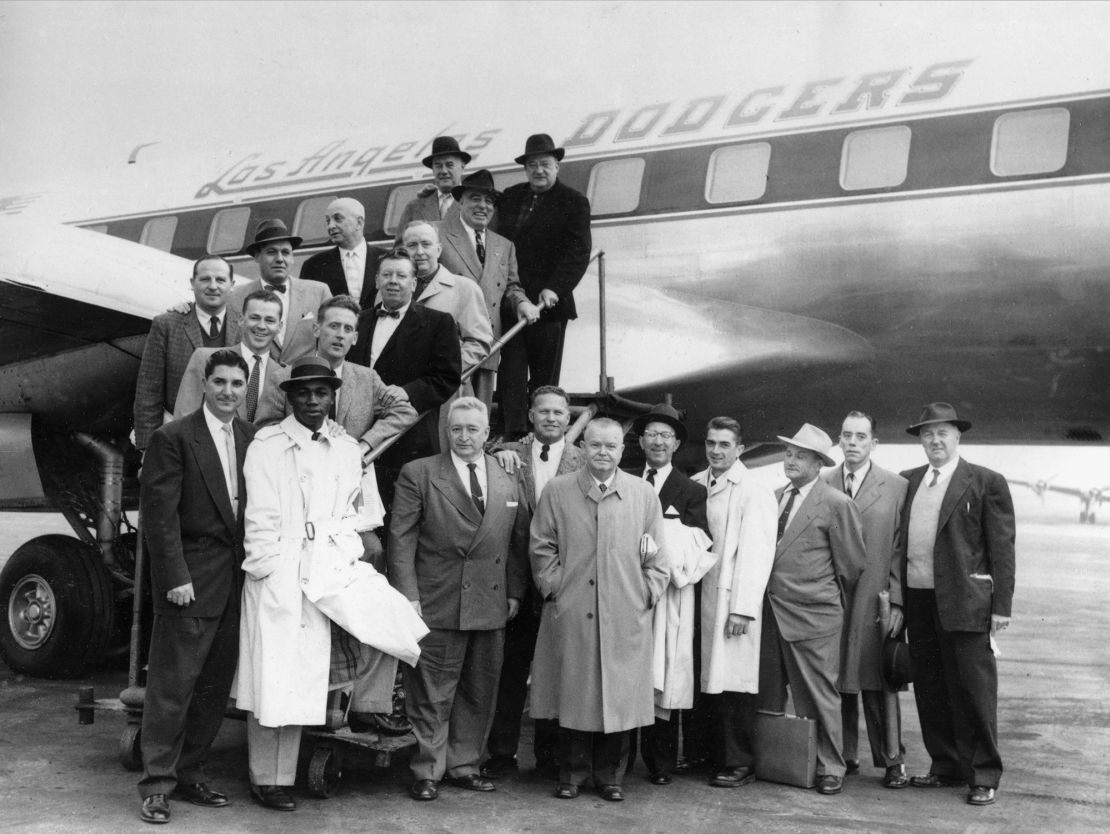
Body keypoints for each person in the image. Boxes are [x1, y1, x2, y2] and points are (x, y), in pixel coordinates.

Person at [233, 356, 428, 812]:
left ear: (332, 397)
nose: (313, 401)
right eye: (304, 392)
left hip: (330, 563)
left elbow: (349, 513)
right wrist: (269, 569)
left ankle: (358, 716)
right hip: (280, 570)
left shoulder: (345, 448)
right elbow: (258, 517)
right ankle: (268, 778)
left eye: (322, 393)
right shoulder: (268, 444)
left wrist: (345, 558)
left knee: (391, 622)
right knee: (276, 676)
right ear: (290, 396)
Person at [388, 397, 530, 801]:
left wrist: (515, 591)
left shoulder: (507, 475)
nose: (464, 436)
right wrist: (408, 595)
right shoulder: (420, 473)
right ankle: (427, 770)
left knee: (478, 690)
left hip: (491, 601)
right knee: (432, 691)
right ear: (445, 432)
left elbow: (518, 540)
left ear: (488, 434)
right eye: (457, 429)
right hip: (437, 598)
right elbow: (401, 537)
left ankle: (463, 764)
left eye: (473, 429)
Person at [136, 349, 255, 824]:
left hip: (235, 584)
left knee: (212, 687)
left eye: (237, 384)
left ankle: (190, 773)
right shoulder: (174, 438)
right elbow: (159, 519)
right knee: (172, 686)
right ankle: (157, 784)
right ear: (204, 384)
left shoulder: (250, 438)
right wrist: (175, 578)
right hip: (190, 582)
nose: (228, 391)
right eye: (220, 382)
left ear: (246, 389)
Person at [529, 417, 670, 802]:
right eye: (594, 445)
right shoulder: (558, 491)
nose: (602, 453)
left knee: (619, 696)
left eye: (610, 446)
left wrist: (645, 593)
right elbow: (542, 546)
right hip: (572, 610)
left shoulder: (643, 495)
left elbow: (657, 555)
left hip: (625, 613)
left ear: (623, 450)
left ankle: (611, 776)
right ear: (583, 448)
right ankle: (571, 774)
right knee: (574, 693)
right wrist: (555, 588)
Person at [894, 402, 1015, 807]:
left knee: (974, 691)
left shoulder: (984, 481)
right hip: (919, 601)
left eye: (942, 432)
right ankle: (945, 766)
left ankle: (983, 774)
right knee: (930, 687)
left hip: (966, 603)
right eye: (927, 434)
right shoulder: (907, 481)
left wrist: (1001, 607)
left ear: (958, 436)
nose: (934, 440)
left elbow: (1002, 550)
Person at [310, 293, 419, 734]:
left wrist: (363, 444)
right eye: (332, 326)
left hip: (353, 507)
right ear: (317, 328)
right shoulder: (290, 372)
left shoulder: (364, 377)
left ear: (356, 336)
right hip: (307, 505)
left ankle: (368, 701)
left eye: (348, 329)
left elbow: (405, 409)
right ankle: (317, 693)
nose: (340, 335)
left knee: (374, 572)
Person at [480, 385, 586, 781]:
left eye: (560, 412)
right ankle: (502, 754)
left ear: (568, 418)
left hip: (561, 583)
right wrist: (496, 451)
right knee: (510, 671)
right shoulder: (508, 454)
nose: (552, 418)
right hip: (515, 583)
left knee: (556, 672)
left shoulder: (582, 460)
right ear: (531, 416)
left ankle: (549, 757)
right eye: (544, 412)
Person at [759, 423, 866, 796]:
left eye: (800, 455)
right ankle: (776, 761)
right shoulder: (772, 497)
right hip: (770, 614)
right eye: (788, 453)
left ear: (819, 463)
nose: (791, 460)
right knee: (767, 695)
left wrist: (816, 595)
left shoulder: (837, 503)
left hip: (814, 617)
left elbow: (851, 565)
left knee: (819, 696)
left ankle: (830, 766)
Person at [821, 411, 910, 788]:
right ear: (839, 441)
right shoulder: (823, 482)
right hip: (835, 596)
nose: (853, 443)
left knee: (879, 678)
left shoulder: (896, 486)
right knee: (837, 678)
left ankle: (892, 760)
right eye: (846, 436)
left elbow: (900, 549)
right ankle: (844, 755)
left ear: (874, 443)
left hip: (878, 597)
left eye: (861, 437)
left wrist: (899, 602)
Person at [689, 416, 777, 789]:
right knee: (706, 680)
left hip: (730, 599)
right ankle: (707, 756)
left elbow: (757, 553)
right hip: (698, 594)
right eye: (711, 443)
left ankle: (739, 762)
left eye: (725, 444)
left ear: (740, 449)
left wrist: (743, 607)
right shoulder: (696, 483)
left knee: (733, 684)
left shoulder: (753, 489)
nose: (716, 450)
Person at [629, 404, 710, 786]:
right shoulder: (625, 481)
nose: (658, 441)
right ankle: (621, 759)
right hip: (630, 591)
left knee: (664, 673)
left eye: (666, 435)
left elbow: (699, 543)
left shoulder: (692, 490)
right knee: (628, 671)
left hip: (670, 598)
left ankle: (660, 762)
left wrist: (660, 546)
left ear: (676, 443)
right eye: (652, 435)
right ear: (641, 441)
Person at [494, 133, 592, 439]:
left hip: (548, 305)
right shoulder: (510, 196)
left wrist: (555, 288)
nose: (539, 170)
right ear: (525, 168)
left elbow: (578, 253)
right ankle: (513, 435)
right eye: (533, 164)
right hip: (512, 301)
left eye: (545, 164)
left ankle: (540, 438)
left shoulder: (574, 202)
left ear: (557, 166)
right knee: (510, 374)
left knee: (544, 378)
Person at [347, 249, 461, 511]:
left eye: (401, 275)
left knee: (406, 517)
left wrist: (407, 392)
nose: (393, 281)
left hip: (410, 438)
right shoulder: (358, 321)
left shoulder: (438, 323)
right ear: (376, 281)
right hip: (360, 434)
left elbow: (448, 376)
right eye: (387, 274)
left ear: (413, 283)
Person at [435, 169, 539, 410]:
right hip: (450, 344)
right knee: (447, 414)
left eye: (489, 201)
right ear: (460, 202)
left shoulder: (504, 245)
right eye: (475, 198)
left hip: (487, 341)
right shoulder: (437, 233)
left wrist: (522, 302)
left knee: (477, 413)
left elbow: (512, 286)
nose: (483, 206)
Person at [133, 255, 239, 451]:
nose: (213, 286)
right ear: (192, 283)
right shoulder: (167, 324)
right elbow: (148, 391)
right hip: (178, 438)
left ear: (232, 285)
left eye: (221, 280)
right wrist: (148, 448)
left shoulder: (244, 326)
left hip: (230, 440)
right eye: (205, 279)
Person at [400, 220, 493, 395]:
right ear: (404, 251)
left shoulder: (464, 288)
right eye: (412, 245)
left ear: (439, 249)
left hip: (446, 392)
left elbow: (478, 343)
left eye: (426, 244)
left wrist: (443, 372)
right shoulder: (389, 291)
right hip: (400, 392)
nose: (420, 252)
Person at [173, 290, 288, 426]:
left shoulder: (282, 375)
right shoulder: (205, 358)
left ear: (279, 327)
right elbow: (183, 421)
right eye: (255, 318)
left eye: (269, 320)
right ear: (241, 320)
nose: (261, 326)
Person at [227, 219, 331, 363]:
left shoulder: (319, 292)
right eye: (271, 252)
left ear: (293, 258)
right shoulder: (235, 296)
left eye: (286, 253)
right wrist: (185, 308)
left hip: (303, 381)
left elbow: (331, 338)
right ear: (257, 257)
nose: (280, 259)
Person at [299, 198, 380, 308]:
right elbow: (305, 310)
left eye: (338, 219)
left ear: (359, 223)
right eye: (328, 221)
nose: (331, 226)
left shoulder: (386, 259)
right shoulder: (313, 265)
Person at [393, 136, 470, 243]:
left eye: (449, 165)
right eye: (438, 166)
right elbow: (400, 249)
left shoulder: (474, 204)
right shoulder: (414, 207)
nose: (443, 171)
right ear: (432, 170)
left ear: (462, 166)